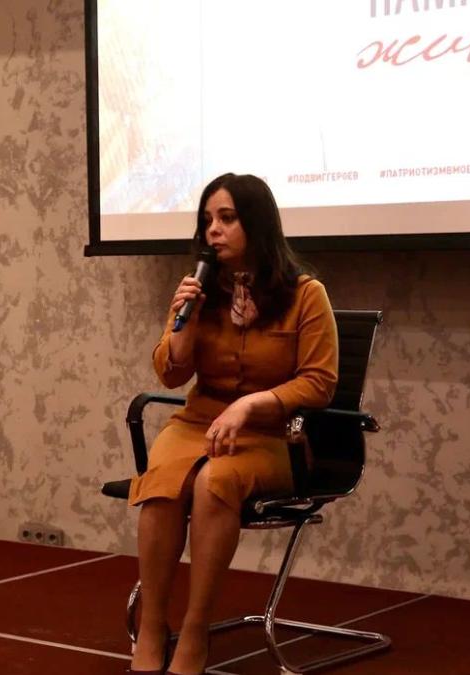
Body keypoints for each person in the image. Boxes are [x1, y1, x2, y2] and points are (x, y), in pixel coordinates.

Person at [127, 174, 338, 674]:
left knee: (214, 481)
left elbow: (320, 383)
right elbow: (171, 373)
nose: (213, 231)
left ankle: (195, 631)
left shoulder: (306, 295)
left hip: (270, 435)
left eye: (226, 218)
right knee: (162, 482)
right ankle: (153, 627)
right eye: (207, 221)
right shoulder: (200, 289)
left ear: (256, 224)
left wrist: (251, 405)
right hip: (196, 422)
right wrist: (185, 322)